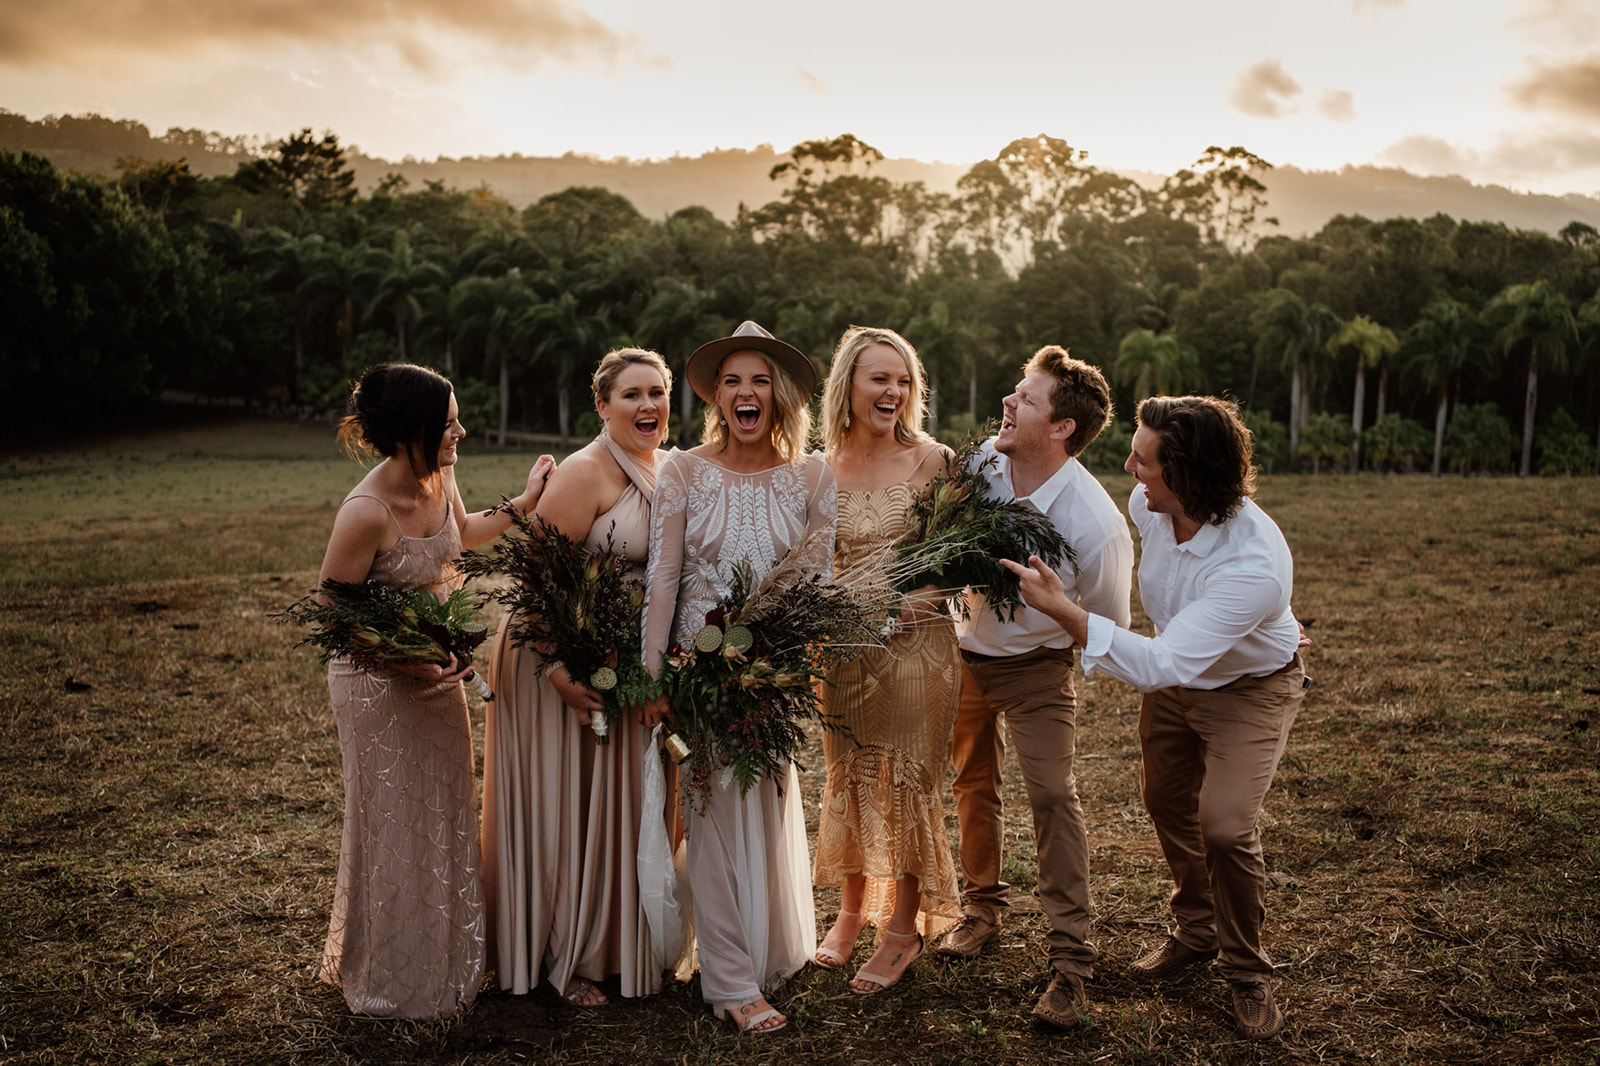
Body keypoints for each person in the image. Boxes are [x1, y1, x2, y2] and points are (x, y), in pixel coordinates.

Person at [1003, 394, 1308, 1040]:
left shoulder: (1253, 565)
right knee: (1165, 800)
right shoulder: (1150, 505)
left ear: (1188, 475)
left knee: (1223, 824)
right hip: (1177, 679)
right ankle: (1196, 930)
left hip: (1247, 690)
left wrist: (1065, 613)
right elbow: (1172, 651)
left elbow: (1159, 662)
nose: (1128, 468)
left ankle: (1247, 971)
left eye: (1142, 460)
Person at [316, 362, 554, 1019]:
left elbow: (464, 534)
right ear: (409, 432)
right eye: (448, 424)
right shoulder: (366, 512)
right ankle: (393, 977)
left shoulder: (440, 474)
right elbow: (332, 613)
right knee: (393, 822)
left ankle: (449, 959)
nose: (462, 432)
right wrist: (405, 658)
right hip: (375, 684)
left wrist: (526, 502)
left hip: (436, 673)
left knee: (447, 812)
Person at [640, 321, 834, 1034]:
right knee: (711, 816)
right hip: (696, 673)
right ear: (717, 396)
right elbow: (664, 577)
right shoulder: (684, 470)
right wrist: (654, 676)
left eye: (758, 379)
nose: (745, 391)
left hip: (773, 676)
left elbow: (819, 581)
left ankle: (767, 947)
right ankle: (729, 981)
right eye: (732, 380)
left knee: (764, 801)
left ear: (778, 394)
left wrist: (799, 667)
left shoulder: (813, 475)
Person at [935, 346, 1134, 1031]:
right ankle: (981, 908)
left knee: (1051, 794)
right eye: (1015, 391)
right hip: (960, 653)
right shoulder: (981, 467)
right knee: (970, 782)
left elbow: (1108, 628)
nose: (1007, 403)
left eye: (1025, 398)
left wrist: (1054, 611)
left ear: (1062, 430)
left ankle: (1071, 966)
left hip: (1036, 672)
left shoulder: (1097, 525)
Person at [479, 348, 680, 1006]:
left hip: (617, 655)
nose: (647, 405)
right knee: (566, 805)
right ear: (602, 405)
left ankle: (610, 943)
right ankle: (564, 957)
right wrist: (561, 669)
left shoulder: (663, 467)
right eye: (631, 395)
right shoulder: (584, 472)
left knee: (613, 802)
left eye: (657, 392)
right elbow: (534, 579)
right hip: (551, 657)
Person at [810, 326, 961, 994]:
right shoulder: (821, 467)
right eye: (880, 379)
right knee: (848, 775)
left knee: (904, 782)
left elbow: (958, 559)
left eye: (903, 380)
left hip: (915, 651)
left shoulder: (934, 461)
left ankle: (901, 928)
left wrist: (908, 606)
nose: (894, 392)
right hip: (842, 653)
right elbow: (814, 564)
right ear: (849, 386)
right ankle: (849, 913)